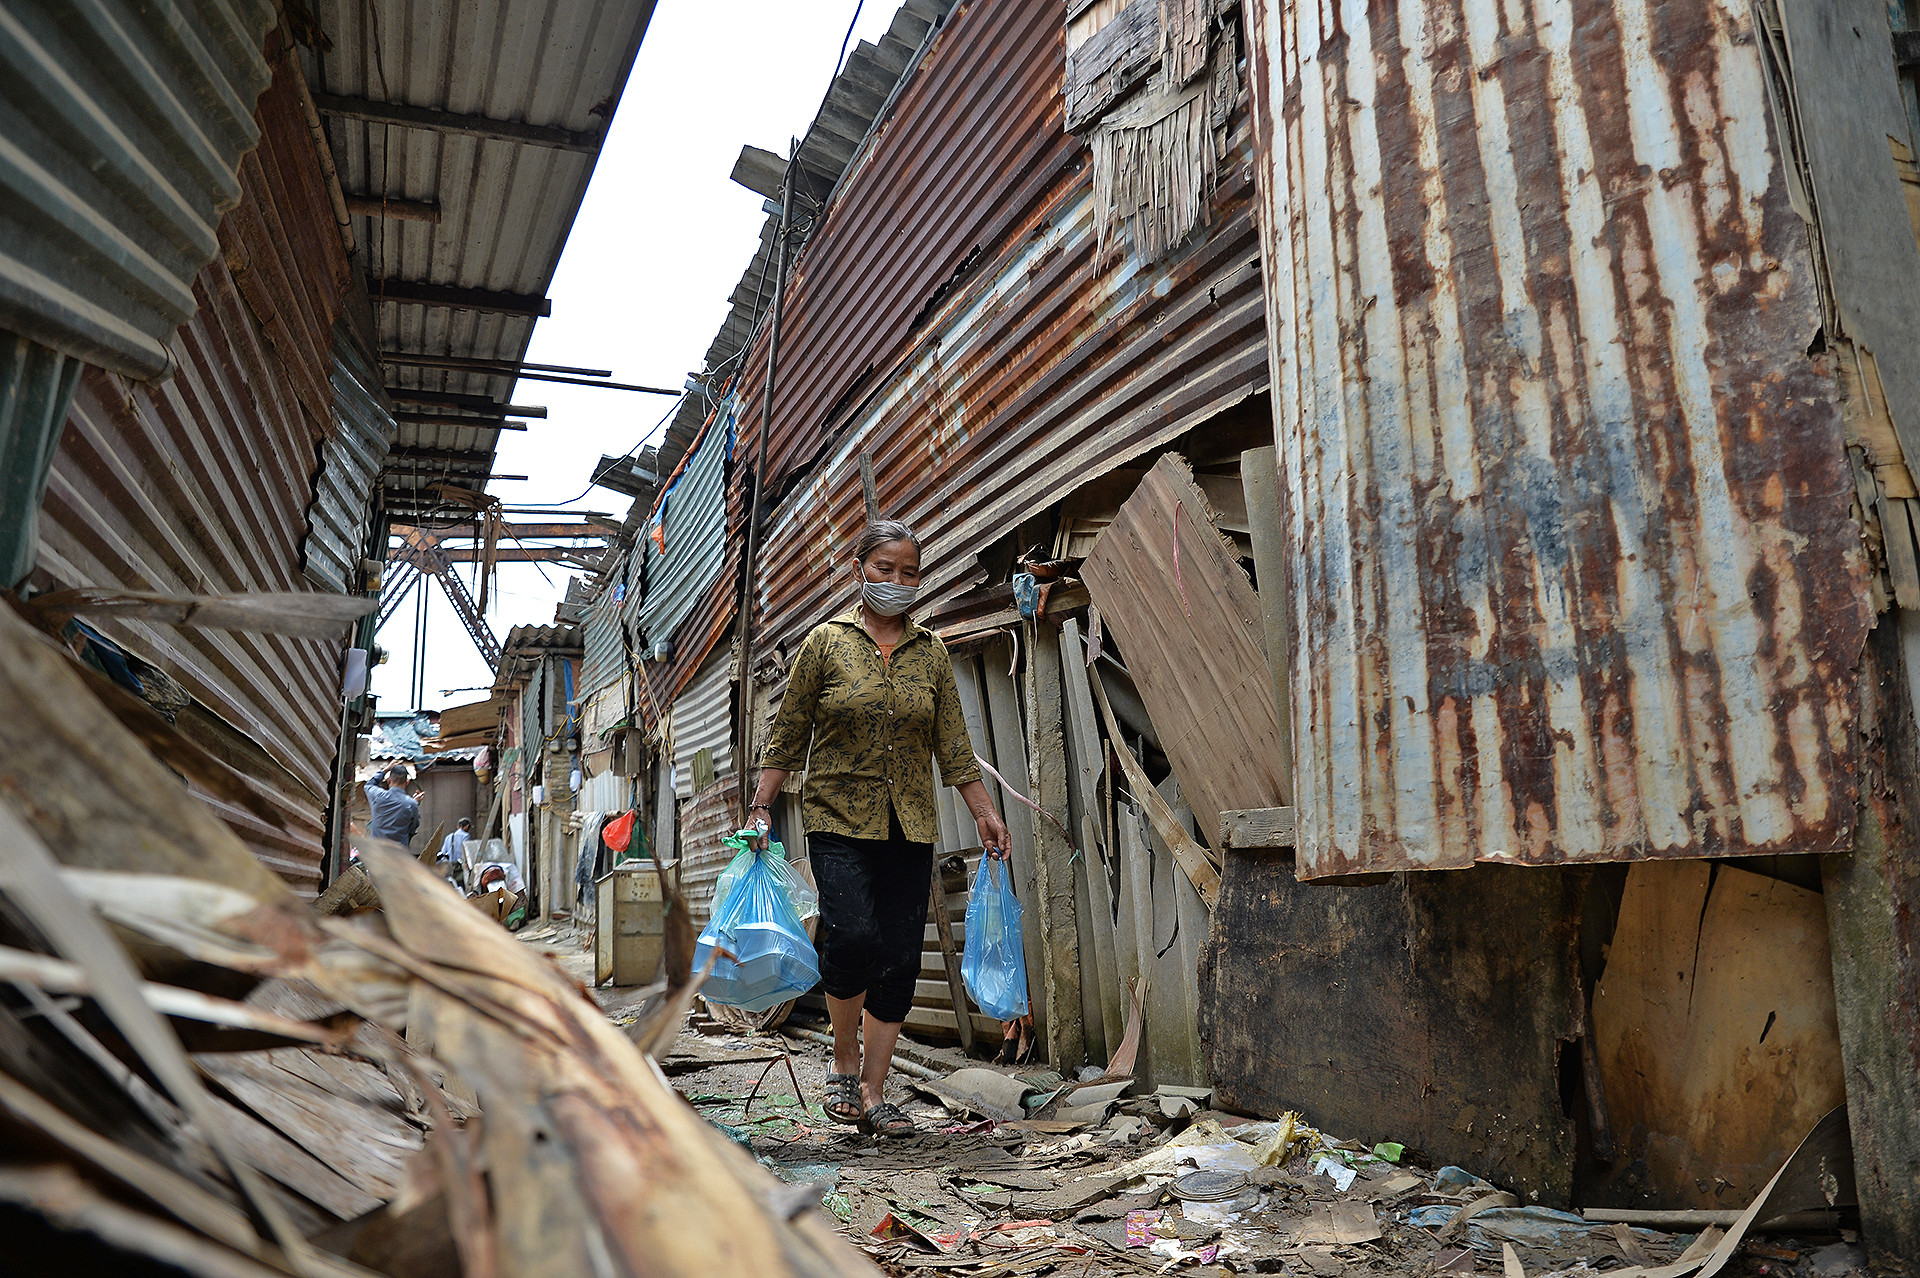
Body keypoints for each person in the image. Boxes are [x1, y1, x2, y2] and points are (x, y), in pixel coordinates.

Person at [751, 519, 1011, 1137]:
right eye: (885, 569)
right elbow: (787, 733)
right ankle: (842, 1066)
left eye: (909, 572)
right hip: (838, 817)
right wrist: (761, 806)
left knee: (897, 956)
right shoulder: (826, 644)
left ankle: (874, 1092)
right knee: (853, 935)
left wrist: (983, 810)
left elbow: (952, 742)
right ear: (859, 570)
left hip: (910, 823)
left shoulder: (931, 654)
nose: (897, 582)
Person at [364, 764, 420, 850]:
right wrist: (414, 803)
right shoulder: (411, 804)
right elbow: (412, 829)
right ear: (407, 782)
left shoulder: (378, 796)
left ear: (389, 781)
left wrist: (385, 770)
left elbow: (368, 785)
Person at [437, 818, 473, 883]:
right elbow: (467, 851)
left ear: (458, 826)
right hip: (460, 866)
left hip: (450, 867)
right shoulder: (466, 836)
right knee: (461, 885)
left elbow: (443, 852)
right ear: (467, 826)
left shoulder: (448, 837)